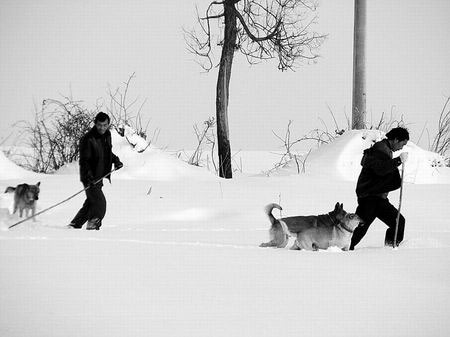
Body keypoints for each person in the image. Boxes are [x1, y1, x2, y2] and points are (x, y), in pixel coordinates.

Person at [350, 127, 409, 249]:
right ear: (396, 139)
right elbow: (381, 169)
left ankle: (390, 248)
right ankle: (342, 248)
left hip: (376, 197)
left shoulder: (384, 149)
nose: (401, 148)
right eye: (402, 144)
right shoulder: (380, 149)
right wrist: (398, 161)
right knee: (360, 227)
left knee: (397, 222)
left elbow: (382, 169)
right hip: (370, 197)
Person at [68, 112, 123, 230]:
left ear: (108, 124)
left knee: (91, 202)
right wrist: (89, 177)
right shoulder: (88, 139)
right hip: (90, 177)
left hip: (99, 176)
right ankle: (93, 225)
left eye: (104, 125)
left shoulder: (107, 135)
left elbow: (107, 153)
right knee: (99, 203)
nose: (102, 128)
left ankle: (75, 224)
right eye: (99, 125)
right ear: (95, 124)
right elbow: (85, 161)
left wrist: (116, 161)